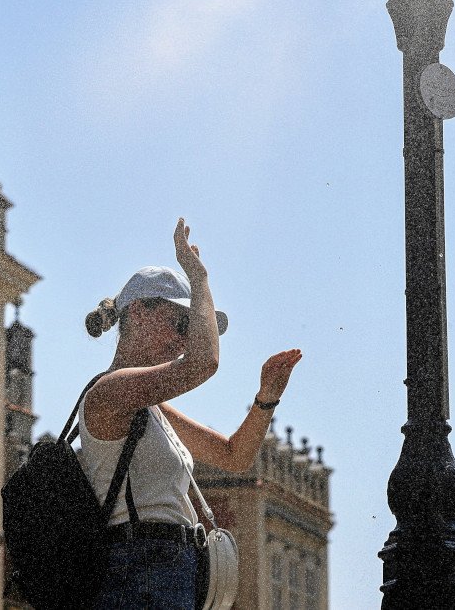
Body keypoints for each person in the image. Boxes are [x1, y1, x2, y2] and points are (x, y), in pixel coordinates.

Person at [79, 218, 302, 609]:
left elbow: (235, 457)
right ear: (138, 313)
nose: (185, 340)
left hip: (165, 572)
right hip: (139, 573)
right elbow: (203, 363)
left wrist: (266, 398)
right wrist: (199, 280)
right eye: (179, 323)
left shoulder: (149, 407)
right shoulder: (110, 391)